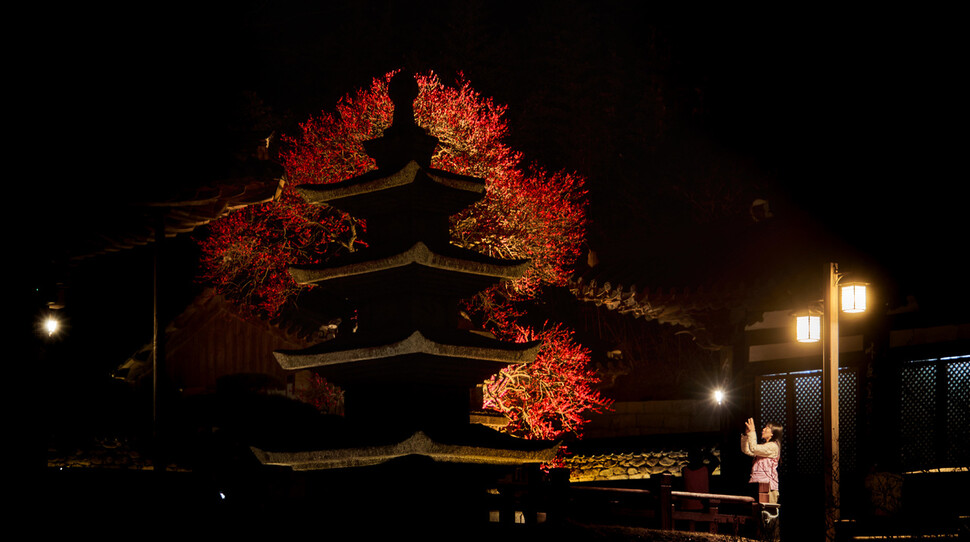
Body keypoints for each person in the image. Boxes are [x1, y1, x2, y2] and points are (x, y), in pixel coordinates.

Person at [740, 417, 782, 504]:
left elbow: (754, 448)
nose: (763, 429)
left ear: (772, 433)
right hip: (758, 484)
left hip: (768, 487)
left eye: (767, 428)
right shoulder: (765, 447)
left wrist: (752, 432)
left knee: (767, 514)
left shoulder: (772, 446)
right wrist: (746, 434)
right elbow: (747, 450)